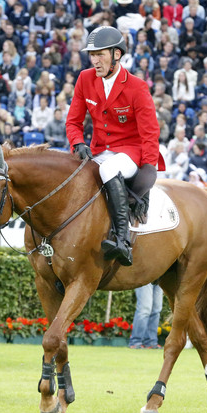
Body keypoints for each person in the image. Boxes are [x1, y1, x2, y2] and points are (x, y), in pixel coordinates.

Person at [65, 26, 165, 266]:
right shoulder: (85, 79)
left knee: (108, 170)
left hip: (130, 153)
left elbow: (150, 131)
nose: (95, 60)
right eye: (92, 55)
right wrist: (77, 142)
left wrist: (149, 165)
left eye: (100, 54)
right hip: (98, 150)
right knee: (70, 175)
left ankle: (122, 240)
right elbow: (73, 121)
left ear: (116, 55)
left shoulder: (137, 87)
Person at [128, 283, 163, 349]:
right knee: (144, 309)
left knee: (156, 310)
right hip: (145, 275)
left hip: (159, 277)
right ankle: (135, 342)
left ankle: (151, 342)